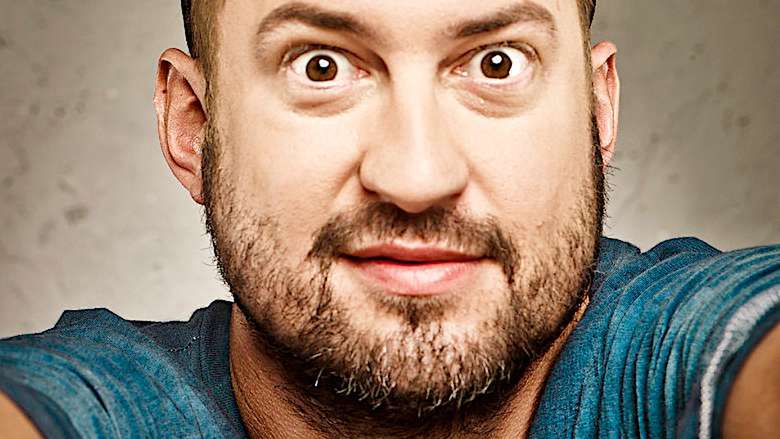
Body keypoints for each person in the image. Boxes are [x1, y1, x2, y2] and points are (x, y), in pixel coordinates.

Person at [1, 0, 778, 437]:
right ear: (194, 127)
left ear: (597, 109)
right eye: (321, 66)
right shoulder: (102, 403)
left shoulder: (676, 351)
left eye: (497, 63)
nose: (416, 177)